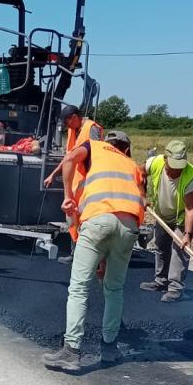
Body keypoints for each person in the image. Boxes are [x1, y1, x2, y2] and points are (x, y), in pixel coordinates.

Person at [43, 130, 145, 371]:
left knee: (79, 287)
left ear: (106, 143)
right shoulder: (132, 166)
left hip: (98, 220)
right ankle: (109, 348)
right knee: (114, 289)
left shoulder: (94, 147)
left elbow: (69, 158)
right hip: (129, 227)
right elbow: (135, 206)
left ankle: (71, 351)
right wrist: (104, 261)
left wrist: (67, 196)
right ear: (126, 149)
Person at [140, 139, 193, 302]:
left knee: (179, 250)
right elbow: (139, 173)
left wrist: (188, 235)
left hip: (181, 217)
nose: (176, 170)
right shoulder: (155, 163)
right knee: (161, 246)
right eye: (173, 166)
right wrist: (142, 194)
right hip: (161, 214)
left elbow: (191, 209)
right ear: (165, 159)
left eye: (179, 167)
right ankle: (161, 281)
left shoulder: (191, 176)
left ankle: (175, 288)